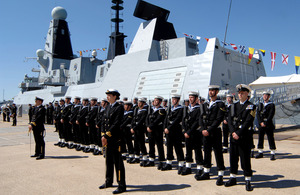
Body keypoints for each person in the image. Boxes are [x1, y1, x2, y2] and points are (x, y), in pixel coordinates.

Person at [225, 84, 256, 191]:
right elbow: (229, 120)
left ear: (247, 94)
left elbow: (248, 121)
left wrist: (238, 133)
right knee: (233, 158)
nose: (240, 94)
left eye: (242, 93)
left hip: (244, 137)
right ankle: (232, 178)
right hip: (234, 137)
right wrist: (233, 132)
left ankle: (248, 180)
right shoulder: (233, 106)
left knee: (245, 160)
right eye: (239, 93)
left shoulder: (251, 106)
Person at [196, 85, 226, 186]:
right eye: (210, 90)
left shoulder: (220, 104)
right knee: (207, 152)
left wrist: (208, 129)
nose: (211, 92)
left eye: (213, 90)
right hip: (205, 131)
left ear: (217, 92)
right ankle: (206, 171)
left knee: (218, 153)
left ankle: (220, 174)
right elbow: (201, 117)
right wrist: (203, 129)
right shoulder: (205, 104)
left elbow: (219, 119)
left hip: (215, 131)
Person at [99, 89, 126, 194]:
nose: (107, 97)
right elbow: (103, 122)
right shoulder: (108, 107)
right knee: (108, 161)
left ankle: (121, 185)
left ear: (115, 96)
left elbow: (116, 123)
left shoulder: (119, 108)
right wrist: (102, 135)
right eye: (107, 95)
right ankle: (108, 181)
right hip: (107, 139)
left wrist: (106, 135)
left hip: (115, 139)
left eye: (109, 95)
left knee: (118, 163)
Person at [181, 91, 203, 176]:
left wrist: (189, 131)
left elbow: (197, 122)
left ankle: (199, 168)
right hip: (187, 133)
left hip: (195, 133)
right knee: (188, 150)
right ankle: (188, 167)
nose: (190, 99)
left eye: (192, 97)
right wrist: (184, 131)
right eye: (189, 97)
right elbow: (183, 120)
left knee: (198, 151)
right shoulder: (187, 108)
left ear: (196, 99)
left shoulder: (198, 109)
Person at [162, 94, 185, 172]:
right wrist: (165, 128)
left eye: (175, 99)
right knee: (169, 147)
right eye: (173, 99)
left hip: (176, 130)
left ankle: (181, 164)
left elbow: (177, 119)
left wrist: (168, 128)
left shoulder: (180, 109)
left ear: (178, 100)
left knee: (178, 147)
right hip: (168, 131)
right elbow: (166, 118)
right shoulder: (170, 108)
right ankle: (169, 163)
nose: (173, 101)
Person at [145, 96, 166, 169]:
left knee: (159, 146)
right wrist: (147, 126)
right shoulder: (151, 110)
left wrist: (150, 127)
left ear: (160, 102)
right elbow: (147, 118)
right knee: (151, 145)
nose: (155, 102)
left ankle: (161, 161)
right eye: (154, 100)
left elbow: (158, 120)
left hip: (157, 130)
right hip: (150, 130)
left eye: (157, 101)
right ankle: (151, 160)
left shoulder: (162, 110)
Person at [255, 91, 276, 160]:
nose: (265, 97)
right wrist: (260, 122)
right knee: (260, 138)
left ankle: (272, 153)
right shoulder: (260, 104)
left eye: (266, 95)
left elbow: (271, 115)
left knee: (270, 138)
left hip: (268, 124)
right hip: (261, 124)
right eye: (264, 95)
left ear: (269, 96)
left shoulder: (271, 105)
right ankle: (260, 152)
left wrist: (265, 122)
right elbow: (258, 114)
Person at [130, 98, 148, 165]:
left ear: (143, 103)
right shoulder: (136, 110)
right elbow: (133, 119)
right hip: (135, 129)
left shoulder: (144, 111)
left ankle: (144, 158)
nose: (139, 103)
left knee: (141, 144)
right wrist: (132, 127)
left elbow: (141, 121)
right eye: (138, 102)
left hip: (140, 129)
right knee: (136, 143)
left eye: (140, 102)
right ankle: (136, 157)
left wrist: (134, 128)